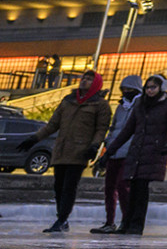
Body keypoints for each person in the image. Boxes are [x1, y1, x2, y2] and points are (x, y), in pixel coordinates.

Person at [99, 75, 167, 236]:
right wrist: (109, 152)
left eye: (153, 87)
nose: (150, 90)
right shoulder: (140, 104)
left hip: (153, 152)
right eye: (148, 87)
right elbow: (127, 131)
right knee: (132, 188)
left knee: (141, 189)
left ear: (161, 88)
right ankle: (126, 223)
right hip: (136, 152)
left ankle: (136, 225)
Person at [30, 71, 111, 233]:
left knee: (69, 186)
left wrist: (94, 146)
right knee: (58, 186)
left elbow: (101, 129)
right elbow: (53, 124)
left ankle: (62, 219)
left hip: (80, 151)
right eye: (84, 78)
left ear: (95, 84)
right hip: (61, 150)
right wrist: (34, 138)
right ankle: (62, 218)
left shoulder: (100, 105)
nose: (84, 81)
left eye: (89, 79)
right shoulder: (68, 101)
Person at [91, 75, 145, 234]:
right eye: (124, 89)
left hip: (129, 152)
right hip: (114, 151)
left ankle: (126, 220)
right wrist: (107, 147)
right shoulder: (121, 107)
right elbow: (114, 128)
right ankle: (110, 221)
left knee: (123, 187)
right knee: (109, 187)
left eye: (129, 89)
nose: (126, 91)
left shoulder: (141, 105)